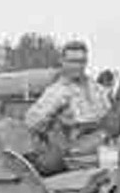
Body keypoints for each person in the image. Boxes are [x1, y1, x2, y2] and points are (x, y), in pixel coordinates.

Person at [23, 40, 113, 175]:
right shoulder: (56, 92)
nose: (77, 66)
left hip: (105, 151)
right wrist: (53, 116)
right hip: (74, 159)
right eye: (72, 61)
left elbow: (110, 116)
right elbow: (31, 122)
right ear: (62, 61)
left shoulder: (98, 90)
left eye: (81, 62)